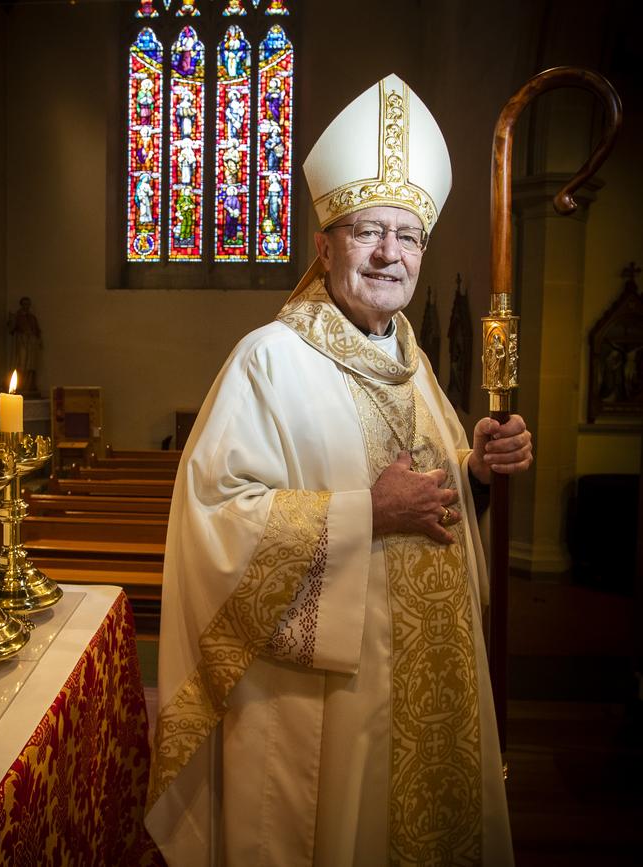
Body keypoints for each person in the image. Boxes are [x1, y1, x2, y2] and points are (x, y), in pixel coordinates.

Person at [146, 74, 532, 866]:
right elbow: (215, 521)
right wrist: (364, 512)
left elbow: (440, 495)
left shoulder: (414, 364)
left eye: (408, 235)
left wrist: (478, 471)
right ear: (324, 245)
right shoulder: (268, 362)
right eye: (367, 232)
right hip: (329, 707)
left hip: (435, 692)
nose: (390, 253)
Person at [8, 296, 42, 394]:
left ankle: (29, 385)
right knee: (21, 363)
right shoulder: (17, 316)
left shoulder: (32, 317)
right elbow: (12, 328)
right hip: (22, 340)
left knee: (31, 364)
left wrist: (38, 340)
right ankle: (20, 385)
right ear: (21, 304)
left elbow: (37, 330)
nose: (26, 306)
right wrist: (12, 320)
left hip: (31, 342)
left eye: (28, 304)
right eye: (24, 304)